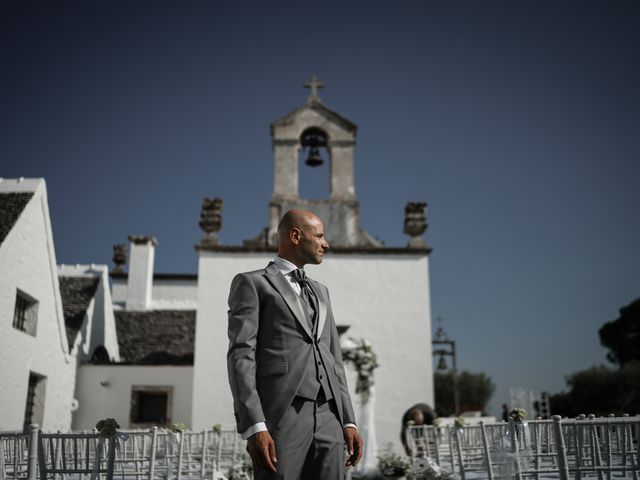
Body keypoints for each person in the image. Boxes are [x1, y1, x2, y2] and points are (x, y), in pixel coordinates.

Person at [227, 209, 363, 480]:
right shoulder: (253, 284)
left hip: (329, 416)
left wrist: (347, 419)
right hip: (282, 413)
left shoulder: (321, 291)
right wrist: (255, 425)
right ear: (295, 236)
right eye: (320, 236)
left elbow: (334, 359)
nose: (326, 244)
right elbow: (241, 354)